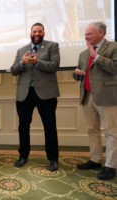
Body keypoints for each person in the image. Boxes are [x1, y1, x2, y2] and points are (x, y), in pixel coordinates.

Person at [10, 23, 60, 171]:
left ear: (44, 33)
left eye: (39, 31)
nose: (37, 34)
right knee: (23, 127)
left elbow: (55, 65)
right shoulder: (21, 50)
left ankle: (52, 159)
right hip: (24, 94)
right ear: (30, 33)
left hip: (46, 93)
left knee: (49, 127)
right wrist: (22, 62)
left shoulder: (52, 46)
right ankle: (23, 156)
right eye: (34, 31)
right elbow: (13, 70)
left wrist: (38, 62)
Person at [73, 21, 117, 180]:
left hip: (107, 96)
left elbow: (115, 68)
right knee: (92, 130)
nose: (86, 36)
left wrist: (96, 56)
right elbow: (79, 73)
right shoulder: (83, 54)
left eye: (89, 34)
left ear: (101, 33)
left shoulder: (113, 47)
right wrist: (77, 73)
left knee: (111, 133)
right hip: (87, 96)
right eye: (85, 34)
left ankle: (111, 166)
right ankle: (95, 159)